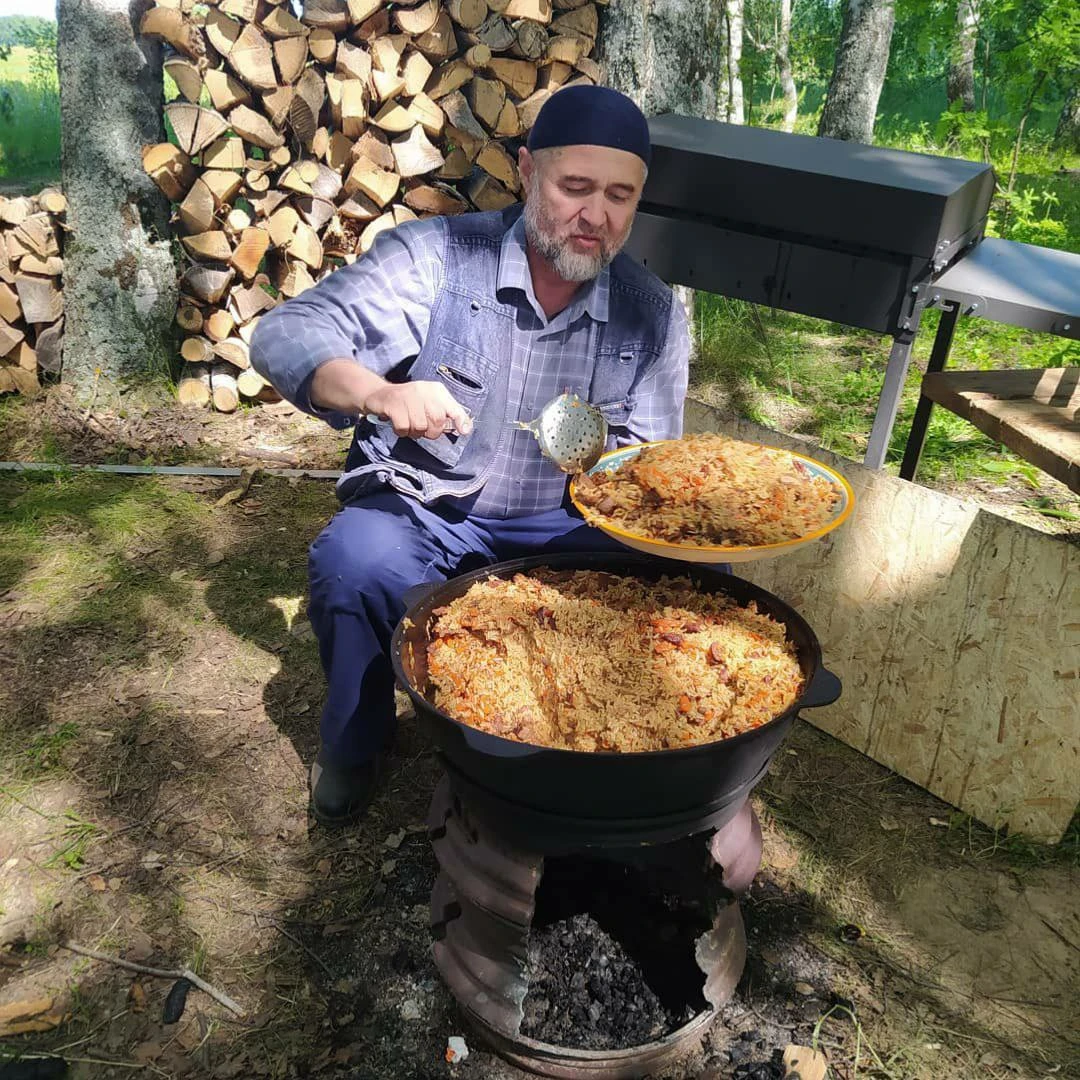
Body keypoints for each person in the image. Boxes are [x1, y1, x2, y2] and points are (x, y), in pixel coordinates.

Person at [251, 85, 691, 826]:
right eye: (575, 186)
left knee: (689, 584)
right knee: (355, 561)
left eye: (621, 195)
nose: (597, 215)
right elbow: (284, 333)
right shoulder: (439, 258)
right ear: (526, 173)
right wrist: (377, 393)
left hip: (566, 530)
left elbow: (647, 467)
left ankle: (597, 739)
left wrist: (649, 494)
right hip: (431, 514)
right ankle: (357, 742)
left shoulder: (653, 316)